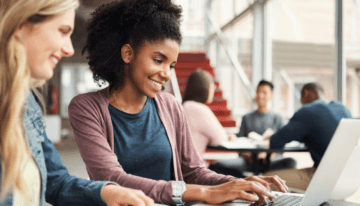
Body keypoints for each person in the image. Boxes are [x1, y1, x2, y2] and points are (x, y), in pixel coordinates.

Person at [68, 0, 288, 205]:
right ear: (128, 53)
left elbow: (194, 172)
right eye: (158, 60)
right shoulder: (86, 108)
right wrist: (201, 193)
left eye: (171, 65)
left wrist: (239, 183)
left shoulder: (170, 105)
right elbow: (112, 179)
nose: (165, 73)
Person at [0, 0, 155, 205]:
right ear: (21, 24)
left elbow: (55, 182)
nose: (69, 49)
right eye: (63, 31)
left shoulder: (26, 102)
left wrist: (106, 193)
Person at [265, 82, 352, 191]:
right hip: (349, 179)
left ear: (305, 93)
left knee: (265, 179)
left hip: (323, 179)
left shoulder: (309, 111)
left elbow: (276, 141)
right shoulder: (343, 108)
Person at [237, 80, 297, 173]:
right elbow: (239, 143)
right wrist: (250, 155)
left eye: (264, 92)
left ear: (271, 96)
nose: (260, 95)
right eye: (258, 91)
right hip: (250, 160)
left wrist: (267, 155)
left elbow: (282, 146)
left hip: (272, 160)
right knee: (219, 165)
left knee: (291, 162)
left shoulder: (278, 118)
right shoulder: (246, 118)